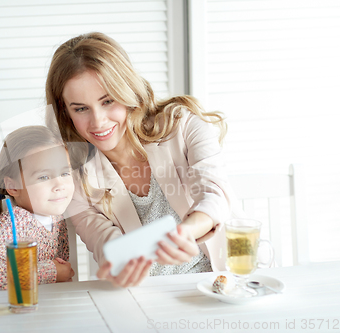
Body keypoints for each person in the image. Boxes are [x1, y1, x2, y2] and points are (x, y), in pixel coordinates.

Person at [45, 32, 235, 288]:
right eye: (81, 108)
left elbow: (215, 195)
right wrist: (120, 261)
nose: (98, 121)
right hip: (148, 298)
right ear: (64, 112)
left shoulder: (183, 125)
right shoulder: (73, 178)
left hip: (223, 283)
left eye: (108, 100)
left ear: (127, 91)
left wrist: (184, 233)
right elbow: (105, 244)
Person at [0, 126, 75, 290]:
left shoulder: (56, 216)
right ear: (13, 186)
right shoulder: (15, 223)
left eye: (65, 173)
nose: (59, 185)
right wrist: (51, 271)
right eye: (44, 177)